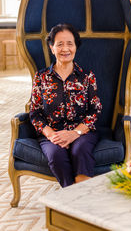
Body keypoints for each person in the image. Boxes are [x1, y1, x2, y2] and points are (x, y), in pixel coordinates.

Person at [29, 23, 102, 187]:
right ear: (51, 48)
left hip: (83, 132)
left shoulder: (86, 76)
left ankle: (79, 199)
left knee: (80, 150)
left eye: (70, 43)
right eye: (59, 44)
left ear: (76, 47)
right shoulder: (41, 77)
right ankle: (72, 200)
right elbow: (35, 113)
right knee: (56, 155)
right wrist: (51, 135)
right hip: (51, 133)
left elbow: (95, 110)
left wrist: (75, 133)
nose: (65, 49)